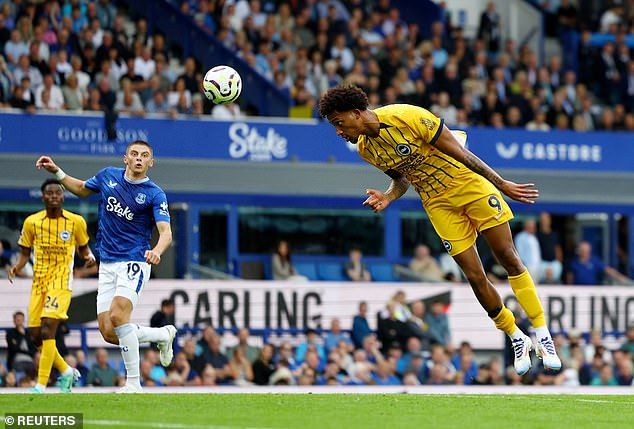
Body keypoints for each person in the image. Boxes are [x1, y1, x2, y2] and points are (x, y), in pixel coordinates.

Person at [318, 84, 561, 376]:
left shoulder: (407, 116)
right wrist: (388, 196)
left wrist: (501, 183)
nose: (338, 131)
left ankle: (543, 335)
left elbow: (462, 154)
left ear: (356, 113)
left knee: (507, 256)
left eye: (339, 123)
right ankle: (516, 336)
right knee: (474, 276)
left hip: (469, 186)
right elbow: (402, 180)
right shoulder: (367, 150)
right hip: (437, 204)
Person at [35, 141, 177, 393]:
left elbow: (165, 232)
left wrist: (156, 251)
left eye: (144, 156)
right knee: (110, 333)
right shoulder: (107, 176)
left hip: (134, 261)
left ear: (150, 163)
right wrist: (57, 172)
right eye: (134, 154)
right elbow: (80, 189)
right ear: (125, 158)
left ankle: (133, 383)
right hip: (108, 264)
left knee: (118, 316)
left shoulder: (155, 193)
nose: (138, 159)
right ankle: (162, 335)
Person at [8, 179, 94, 394]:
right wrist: (17, 267)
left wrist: (89, 256)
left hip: (61, 281)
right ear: (43, 197)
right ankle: (66, 371)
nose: (54, 196)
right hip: (39, 282)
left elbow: (83, 248)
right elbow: (25, 252)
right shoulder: (32, 222)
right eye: (50, 193)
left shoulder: (76, 222)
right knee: (36, 336)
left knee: (48, 329)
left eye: (58, 193)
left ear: (63, 196)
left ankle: (41, 384)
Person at [566, 241, 631, 285]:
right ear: (580, 251)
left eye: (588, 251)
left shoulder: (594, 261)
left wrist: (622, 278)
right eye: (584, 251)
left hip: (593, 291)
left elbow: (608, 270)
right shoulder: (574, 263)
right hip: (578, 291)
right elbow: (570, 278)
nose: (586, 253)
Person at [537, 212, 563, 283]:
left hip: (554, 263)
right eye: (542, 220)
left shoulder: (554, 234)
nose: (544, 222)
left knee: (555, 282)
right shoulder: (537, 235)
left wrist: (558, 262)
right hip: (541, 264)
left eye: (546, 220)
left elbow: (557, 248)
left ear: (549, 220)